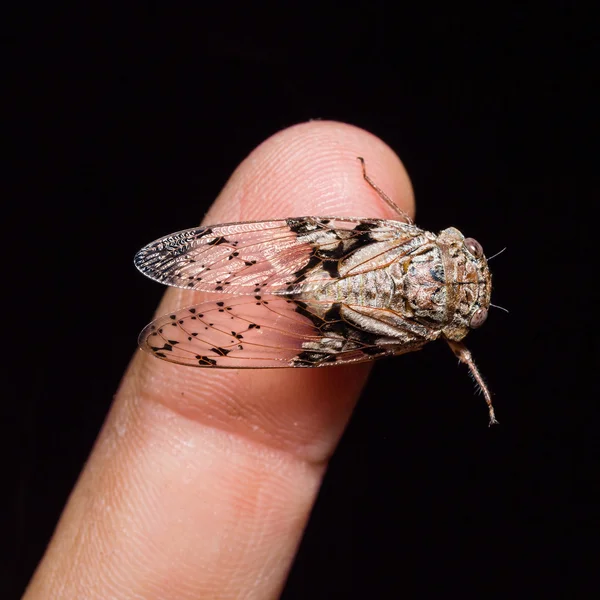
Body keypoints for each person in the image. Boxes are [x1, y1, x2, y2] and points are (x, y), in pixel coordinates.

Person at [24, 121, 415, 599]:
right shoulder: (428, 331)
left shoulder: (420, 247)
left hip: (337, 276)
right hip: (333, 303)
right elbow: (393, 343)